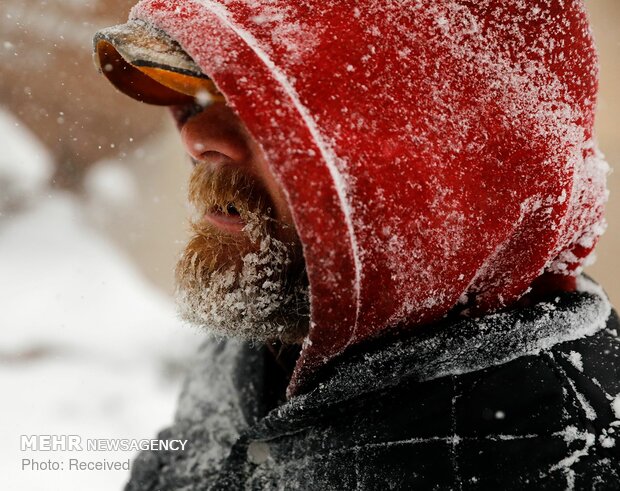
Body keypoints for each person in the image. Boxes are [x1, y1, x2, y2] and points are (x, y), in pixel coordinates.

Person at [93, 1, 620, 489]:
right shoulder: (276, 325)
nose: (197, 135)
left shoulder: (562, 462)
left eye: (268, 104)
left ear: (441, 155)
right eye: (198, 89)